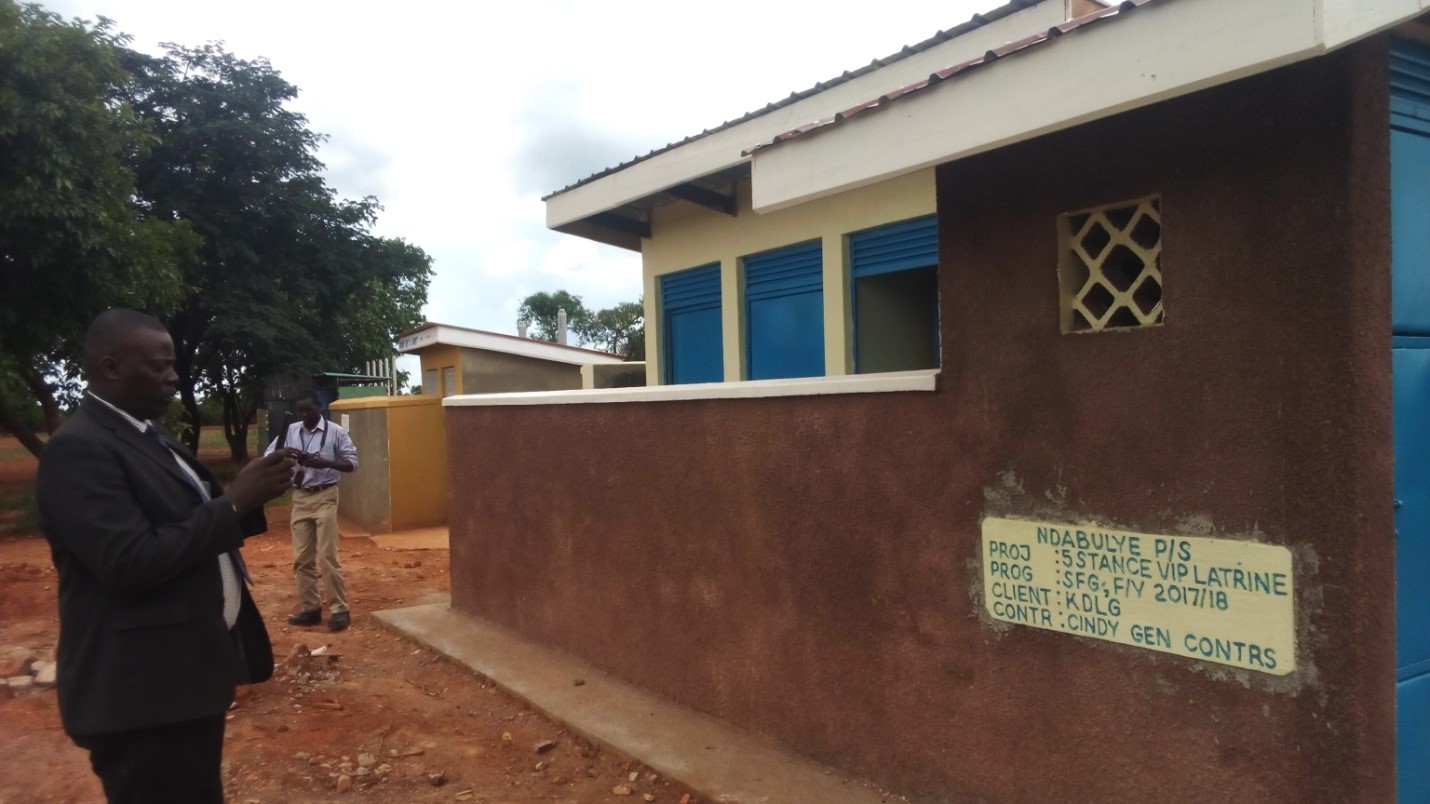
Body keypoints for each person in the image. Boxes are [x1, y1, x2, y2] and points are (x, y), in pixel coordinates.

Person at [36, 309, 296, 803]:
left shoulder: (144, 436)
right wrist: (235, 501)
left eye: (173, 364)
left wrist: (250, 498)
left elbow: (182, 522)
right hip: (141, 697)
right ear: (110, 368)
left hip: (180, 682)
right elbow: (128, 561)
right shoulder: (79, 450)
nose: (175, 376)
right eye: (160, 366)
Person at [265, 392, 358, 631]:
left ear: (320, 407)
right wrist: (284, 455)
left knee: (328, 556)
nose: (304, 415)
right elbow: (268, 456)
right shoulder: (291, 431)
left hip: (325, 495)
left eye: (309, 410)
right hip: (300, 497)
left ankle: (339, 609)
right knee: (301, 559)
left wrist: (324, 462)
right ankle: (311, 609)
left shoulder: (336, 432)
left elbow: (351, 463)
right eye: (301, 411)